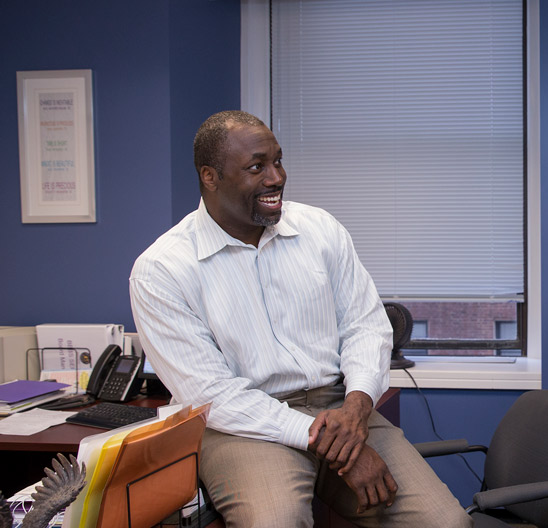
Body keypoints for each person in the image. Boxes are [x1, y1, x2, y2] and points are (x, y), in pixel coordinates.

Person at [129, 110, 470, 528]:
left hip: (340, 408)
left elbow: (366, 325)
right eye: (257, 166)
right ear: (210, 176)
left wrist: (358, 405)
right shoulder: (162, 270)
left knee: (447, 523)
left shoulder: (320, 230)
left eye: (278, 160)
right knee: (276, 522)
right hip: (245, 428)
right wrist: (329, 440)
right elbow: (213, 396)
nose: (276, 178)